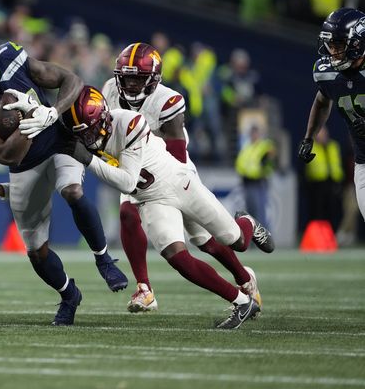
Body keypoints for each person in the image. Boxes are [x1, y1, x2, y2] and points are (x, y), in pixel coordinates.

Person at [0, 34, 126, 327]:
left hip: (59, 143)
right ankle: (69, 295)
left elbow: (70, 80)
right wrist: (28, 120)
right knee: (37, 252)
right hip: (24, 164)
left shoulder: (7, 58)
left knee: (72, 190)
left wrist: (51, 112)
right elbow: (5, 154)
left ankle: (103, 259)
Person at [61, 86, 274, 329]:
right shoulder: (89, 129)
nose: (87, 138)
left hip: (179, 184)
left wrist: (88, 159)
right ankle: (241, 302)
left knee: (236, 240)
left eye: (88, 130)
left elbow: (127, 180)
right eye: (81, 134)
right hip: (150, 199)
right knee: (177, 257)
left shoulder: (130, 123)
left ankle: (247, 222)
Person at [101, 42, 263, 314]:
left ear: (152, 80)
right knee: (128, 214)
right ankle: (144, 288)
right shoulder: (109, 90)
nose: (128, 84)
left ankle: (244, 276)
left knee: (204, 239)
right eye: (125, 77)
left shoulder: (168, 99)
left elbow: (175, 151)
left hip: (172, 168)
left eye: (136, 78)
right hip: (134, 167)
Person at [299, 7, 365, 222]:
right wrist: (309, 137)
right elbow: (321, 101)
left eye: (338, 46)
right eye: (331, 45)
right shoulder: (326, 73)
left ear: (357, 44)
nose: (332, 52)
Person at [235, 124, 276, 228]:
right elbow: (240, 163)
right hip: (247, 182)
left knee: (260, 212)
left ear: (259, 134)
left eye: (256, 133)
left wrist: (264, 166)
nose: (254, 135)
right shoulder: (247, 147)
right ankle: (253, 238)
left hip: (259, 182)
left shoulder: (265, 146)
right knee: (250, 212)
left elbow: (271, 158)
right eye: (252, 133)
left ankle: (264, 239)